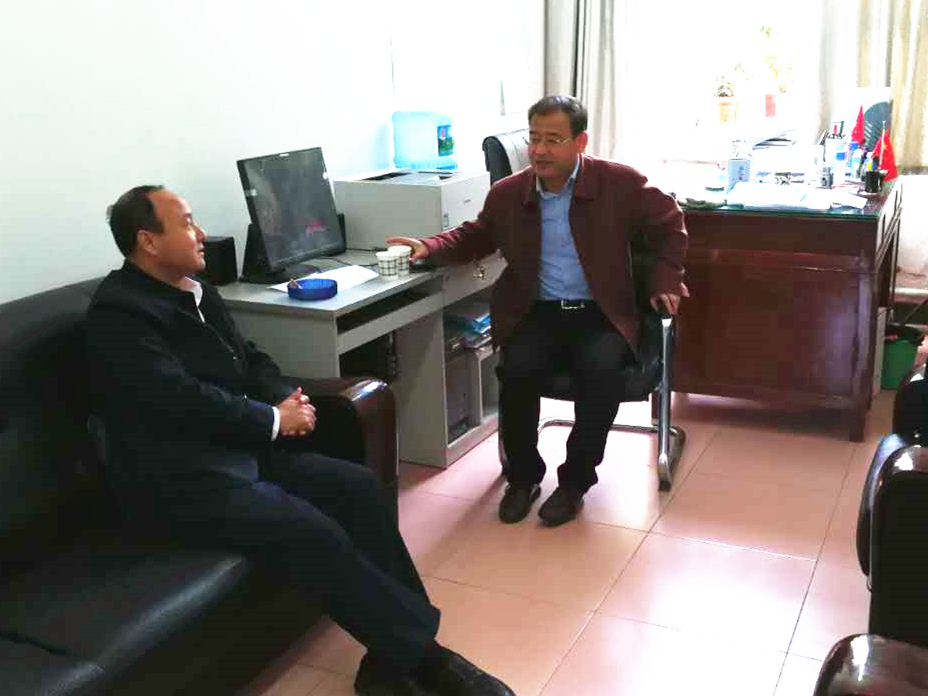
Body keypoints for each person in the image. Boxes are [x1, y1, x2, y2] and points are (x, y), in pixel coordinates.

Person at [86, 185, 515, 696]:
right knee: (312, 531)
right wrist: (272, 419)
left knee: (357, 488)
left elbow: (248, 358)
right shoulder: (121, 316)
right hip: (179, 480)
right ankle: (429, 663)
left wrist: (285, 397)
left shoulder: (195, 291)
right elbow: (179, 400)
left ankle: (391, 658)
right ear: (148, 241)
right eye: (187, 223)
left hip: (238, 454)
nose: (201, 234)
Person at [388, 95, 688, 527]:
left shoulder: (618, 183)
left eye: (553, 139)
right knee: (517, 371)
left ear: (580, 141)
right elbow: (476, 236)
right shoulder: (509, 194)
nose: (540, 150)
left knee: (601, 373)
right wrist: (428, 246)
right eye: (534, 139)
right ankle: (523, 478)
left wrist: (665, 279)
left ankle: (575, 483)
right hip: (538, 312)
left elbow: (670, 222)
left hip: (601, 312)